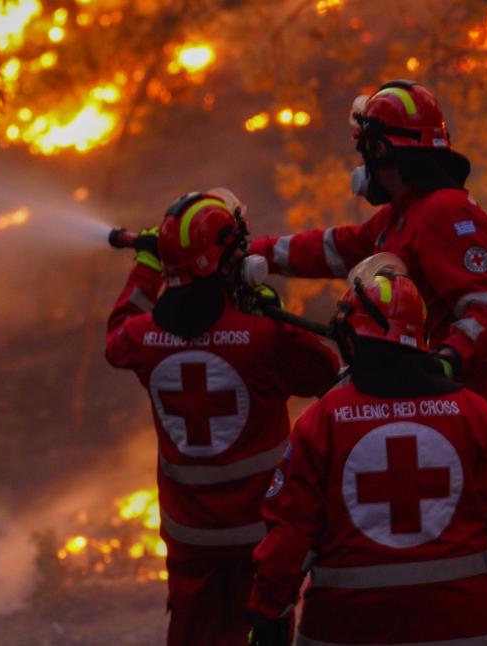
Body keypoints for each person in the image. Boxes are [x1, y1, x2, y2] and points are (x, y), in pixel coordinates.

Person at [247, 263, 487, 646]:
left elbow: (289, 540)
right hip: (465, 630)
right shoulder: (473, 415)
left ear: (352, 337)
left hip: (344, 632)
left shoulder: (322, 423)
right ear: (421, 338)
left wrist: (268, 617)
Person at [106, 188, 339, 646]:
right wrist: (264, 304)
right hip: (261, 535)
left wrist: (147, 267)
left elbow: (117, 333)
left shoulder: (141, 339)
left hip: (190, 539)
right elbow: (325, 370)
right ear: (224, 263)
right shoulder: (264, 338)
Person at [248, 80, 487, 462]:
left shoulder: (447, 212)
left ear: (380, 149)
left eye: (365, 151)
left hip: (475, 427)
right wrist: (256, 252)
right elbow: (336, 248)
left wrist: (443, 360)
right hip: (443, 422)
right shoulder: (404, 215)